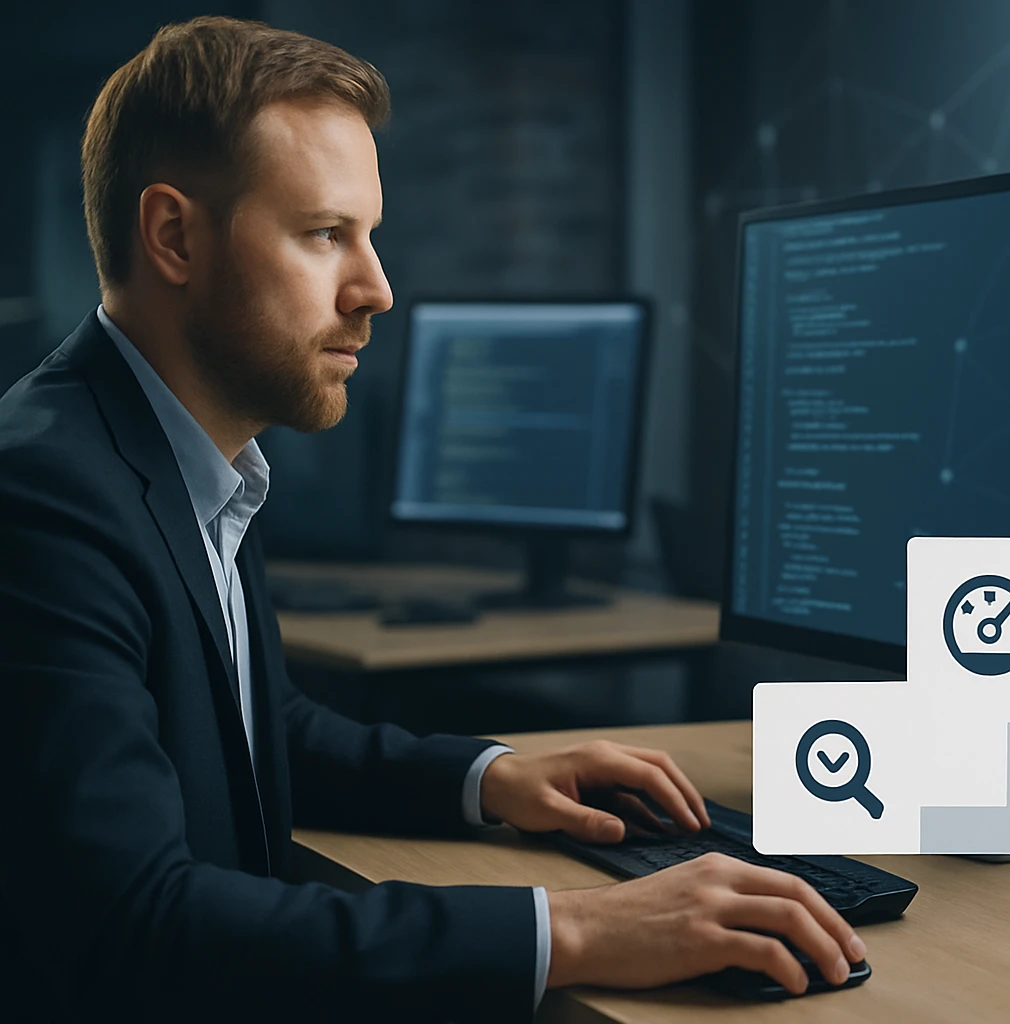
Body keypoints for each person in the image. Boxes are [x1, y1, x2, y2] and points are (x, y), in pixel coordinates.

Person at [0, 16, 863, 1022]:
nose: (376, 289)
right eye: (325, 234)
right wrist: (579, 930)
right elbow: (132, 928)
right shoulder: (48, 495)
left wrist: (493, 777)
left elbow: (253, 728)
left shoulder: (183, 455)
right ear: (174, 236)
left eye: (369, 236)